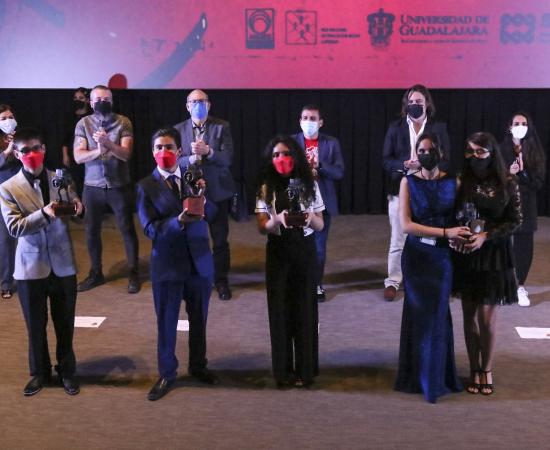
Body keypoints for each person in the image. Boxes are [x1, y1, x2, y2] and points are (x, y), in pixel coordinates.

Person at [136, 127, 219, 401]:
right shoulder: (145, 186)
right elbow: (149, 228)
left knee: (199, 320)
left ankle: (198, 366)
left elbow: (214, 212)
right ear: (152, 152)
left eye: (169, 147)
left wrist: (203, 197)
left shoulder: (194, 177)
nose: (164, 152)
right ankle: (167, 373)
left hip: (199, 262)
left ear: (180, 151)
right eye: (159, 147)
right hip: (168, 266)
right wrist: (178, 222)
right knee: (167, 322)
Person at [0, 127, 83, 396]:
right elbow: (14, 227)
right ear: (17, 154)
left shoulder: (60, 177)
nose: (32, 154)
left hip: (63, 264)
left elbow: (74, 205)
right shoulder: (7, 188)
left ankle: (67, 371)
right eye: (25, 151)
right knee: (35, 325)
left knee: (65, 323)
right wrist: (45, 214)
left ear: (44, 150)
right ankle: (39, 373)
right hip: (29, 268)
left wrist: (78, 207)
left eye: (36, 148)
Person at [394, 133, 470, 403]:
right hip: (416, 256)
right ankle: (414, 377)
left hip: (441, 257)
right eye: (422, 150)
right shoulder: (408, 182)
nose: (426, 154)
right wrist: (446, 232)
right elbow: (406, 225)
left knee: (438, 315)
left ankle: (436, 379)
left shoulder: (454, 182)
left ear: (441, 152)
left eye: (431, 149)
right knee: (417, 314)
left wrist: (464, 234)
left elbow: (462, 216)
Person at [452, 132, 522, 396]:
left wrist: (486, 235)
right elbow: (452, 214)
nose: (475, 157)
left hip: (495, 255)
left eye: (480, 152)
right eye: (470, 152)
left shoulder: (508, 182)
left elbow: (516, 220)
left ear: (492, 153)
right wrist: (460, 233)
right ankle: (474, 368)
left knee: (487, 318)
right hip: (467, 253)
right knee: (469, 315)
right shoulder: (462, 180)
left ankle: (487, 368)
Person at [255, 135, 324, 387]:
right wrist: (277, 219)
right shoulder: (265, 187)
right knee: (280, 311)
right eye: (276, 155)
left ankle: (305, 370)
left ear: (295, 156)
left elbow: (320, 224)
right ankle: (283, 372)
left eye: (285, 154)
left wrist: (308, 218)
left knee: (305, 310)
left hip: (304, 250)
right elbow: (262, 227)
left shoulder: (309, 184)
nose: (281, 159)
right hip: (278, 251)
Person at [382, 84, 451, 301]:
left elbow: (447, 160)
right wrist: (404, 165)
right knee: (398, 237)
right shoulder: (395, 128)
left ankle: (425, 278)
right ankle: (393, 281)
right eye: (411, 102)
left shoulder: (438, 128)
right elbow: (386, 160)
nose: (414, 105)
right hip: (399, 188)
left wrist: (425, 165)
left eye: (419, 102)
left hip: (429, 189)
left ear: (426, 104)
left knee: (428, 236)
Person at [74, 84, 140, 293]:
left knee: (127, 229)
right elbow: (78, 157)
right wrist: (99, 150)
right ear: (91, 102)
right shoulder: (83, 123)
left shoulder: (123, 122)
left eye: (106, 99)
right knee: (91, 231)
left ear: (111, 101)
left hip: (119, 186)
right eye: (98, 100)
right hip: (92, 187)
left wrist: (108, 143)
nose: (102, 102)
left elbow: (126, 155)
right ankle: (96, 273)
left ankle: (133, 272)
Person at [174, 89, 235, 300]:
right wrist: (191, 158)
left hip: (217, 193)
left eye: (202, 101)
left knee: (220, 240)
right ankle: (196, 277)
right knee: (193, 238)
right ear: (187, 106)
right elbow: (174, 161)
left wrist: (208, 151)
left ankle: (221, 280)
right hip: (191, 193)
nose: (198, 105)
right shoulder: (178, 130)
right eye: (194, 101)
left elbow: (228, 159)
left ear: (209, 105)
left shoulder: (222, 127)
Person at [292, 104, 345, 302]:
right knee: (297, 245)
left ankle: (316, 284)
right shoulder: (291, 142)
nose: (309, 122)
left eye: (313, 118)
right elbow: (282, 168)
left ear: (320, 122)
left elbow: (339, 171)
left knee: (318, 247)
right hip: (297, 201)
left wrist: (320, 166)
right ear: (300, 121)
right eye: (305, 118)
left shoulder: (331, 143)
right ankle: (298, 283)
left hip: (322, 203)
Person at [500, 112, 546, 307]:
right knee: (502, 244)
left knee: (524, 246)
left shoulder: (535, 149)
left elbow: (538, 181)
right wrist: (508, 173)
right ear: (510, 127)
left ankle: (519, 286)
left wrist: (523, 172)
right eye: (516, 123)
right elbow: (492, 176)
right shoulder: (501, 149)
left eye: (524, 123)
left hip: (526, 205)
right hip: (504, 204)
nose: (520, 126)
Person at [0, 104, 21, 299]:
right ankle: (6, 282)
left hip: (22, 193)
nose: (8, 120)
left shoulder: (21, 136)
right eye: (3, 118)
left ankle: (27, 278)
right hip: (3, 196)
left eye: (10, 117)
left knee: (26, 238)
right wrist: (7, 150)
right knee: (6, 240)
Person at [61, 87, 92, 197]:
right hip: (72, 156)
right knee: (74, 183)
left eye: (81, 98)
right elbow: (65, 138)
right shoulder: (70, 117)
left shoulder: (91, 117)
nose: (78, 100)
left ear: (87, 100)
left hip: (87, 155)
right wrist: (65, 155)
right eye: (75, 98)